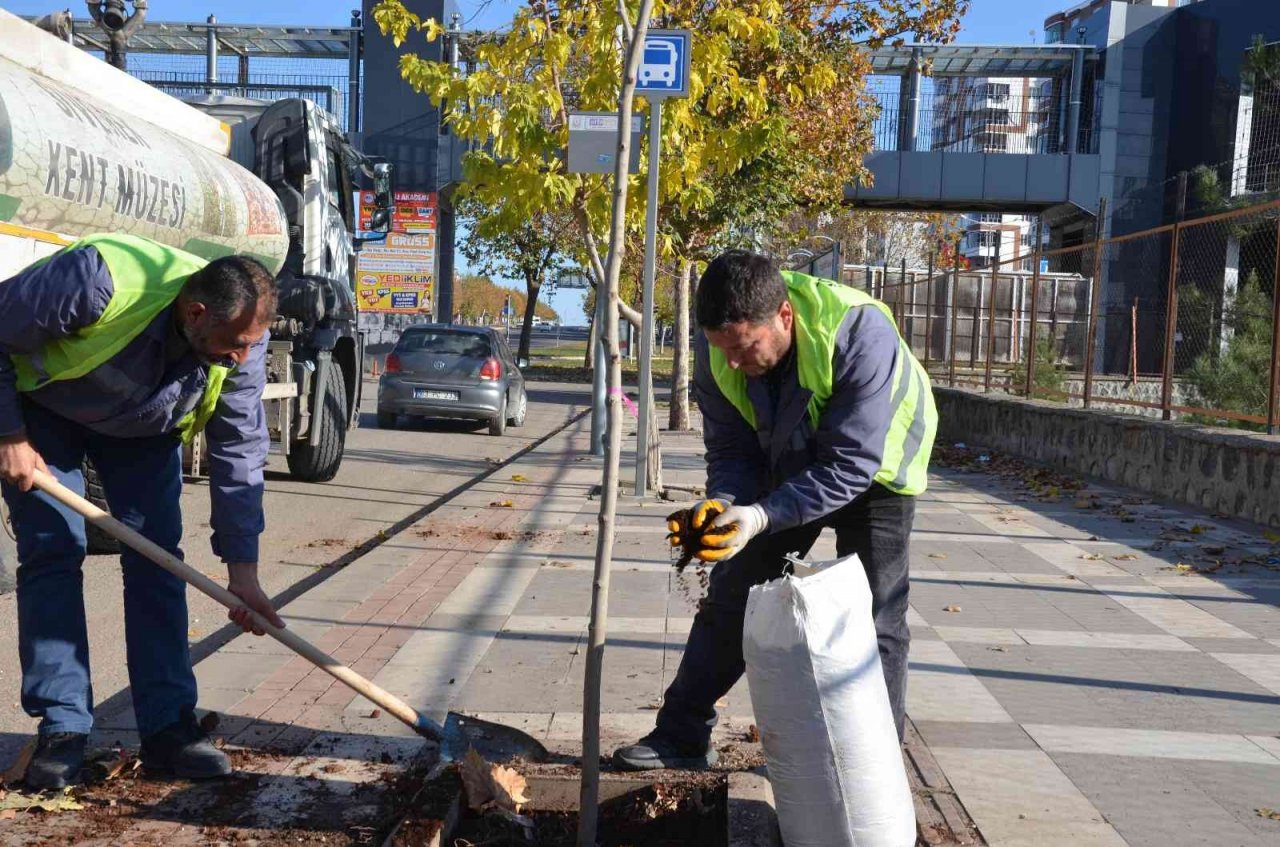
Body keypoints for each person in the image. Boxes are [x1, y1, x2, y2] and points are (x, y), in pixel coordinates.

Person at [614, 250, 936, 771]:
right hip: (786, 460)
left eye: (746, 348)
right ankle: (681, 733)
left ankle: (876, 763)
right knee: (734, 597)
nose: (735, 362)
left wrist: (761, 517)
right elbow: (733, 451)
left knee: (877, 614)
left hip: (878, 472)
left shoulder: (857, 332)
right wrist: (726, 504)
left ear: (784, 317)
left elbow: (850, 465)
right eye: (725, 350)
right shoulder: (719, 345)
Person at [0, 233, 287, 790]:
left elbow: (240, 454)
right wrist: (8, 434)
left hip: (144, 432)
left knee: (158, 563)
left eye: (252, 344)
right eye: (235, 344)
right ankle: (62, 730)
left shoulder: (242, 336)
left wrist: (242, 573)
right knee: (54, 553)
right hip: (46, 416)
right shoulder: (98, 281)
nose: (243, 357)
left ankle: (168, 729)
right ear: (195, 312)